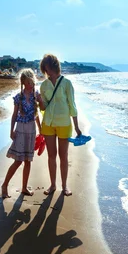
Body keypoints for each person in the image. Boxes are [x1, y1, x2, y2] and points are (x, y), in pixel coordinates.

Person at [37, 54, 82, 196]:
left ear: (54, 66)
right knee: (51, 155)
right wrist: (39, 100)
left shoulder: (67, 83)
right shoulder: (44, 85)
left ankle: (64, 186)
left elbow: (72, 106)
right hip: (48, 123)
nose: (47, 72)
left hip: (64, 123)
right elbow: (43, 108)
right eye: (45, 69)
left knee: (63, 156)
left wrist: (76, 126)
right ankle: (52, 185)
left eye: (48, 68)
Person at [1, 69, 42, 199]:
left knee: (28, 160)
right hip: (20, 129)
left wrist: (40, 130)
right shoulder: (19, 97)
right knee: (18, 161)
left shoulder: (36, 94)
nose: (31, 85)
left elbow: (36, 114)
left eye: (32, 82)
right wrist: (11, 130)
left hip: (31, 130)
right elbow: (14, 116)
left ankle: (24, 187)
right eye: (28, 83)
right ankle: (4, 185)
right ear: (23, 82)